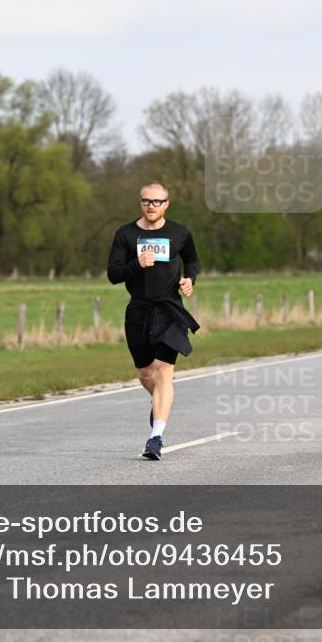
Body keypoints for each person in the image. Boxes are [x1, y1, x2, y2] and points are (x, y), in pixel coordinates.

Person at [107, 182, 200, 460]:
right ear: (141, 203)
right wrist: (137, 263)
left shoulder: (180, 232)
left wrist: (189, 279)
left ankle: (155, 437)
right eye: (147, 201)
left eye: (157, 202)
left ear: (166, 204)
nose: (151, 206)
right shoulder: (125, 234)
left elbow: (192, 261)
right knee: (146, 374)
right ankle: (161, 399)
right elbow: (113, 274)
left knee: (163, 371)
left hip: (170, 309)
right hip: (138, 310)